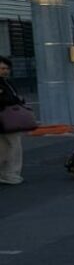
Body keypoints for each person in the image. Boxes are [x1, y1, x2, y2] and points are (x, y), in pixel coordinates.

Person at [0, 55, 26, 184]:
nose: (5, 71)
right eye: (2, 68)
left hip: (6, 118)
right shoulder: (5, 84)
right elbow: (6, 99)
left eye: (7, 68)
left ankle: (5, 173)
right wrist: (17, 100)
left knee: (4, 147)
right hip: (7, 118)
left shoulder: (6, 82)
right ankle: (11, 174)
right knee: (14, 146)